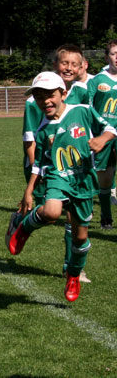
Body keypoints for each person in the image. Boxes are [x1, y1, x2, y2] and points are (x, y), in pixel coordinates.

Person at [7, 72, 115, 302]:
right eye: (38, 96)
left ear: (63, 93)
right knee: (52, 211)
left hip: (84, 181)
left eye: (50, 95)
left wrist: (102, 140)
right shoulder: (43, 130)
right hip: (58, 177)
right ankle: (25, 228)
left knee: (80, 238)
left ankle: (73, 275)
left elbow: (110, 129)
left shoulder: (82, 111)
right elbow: (39, 164)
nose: (45, 100)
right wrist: (29, 191)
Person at [22, 44, 91, 281]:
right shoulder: (35, 102)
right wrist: (35, 178)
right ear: (55, 65)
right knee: (51, 212)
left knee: (75, 224)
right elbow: (32, 141)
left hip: (77, 171)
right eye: (65, 63)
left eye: (75, 64)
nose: (69, 68)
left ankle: (71, 267)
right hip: (49, 166)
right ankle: (22, 226)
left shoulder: (82, 96)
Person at [86, 40, 117, 230]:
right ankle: (106, 217)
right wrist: (105, 124)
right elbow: (89, 106)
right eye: (114, 53)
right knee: (104, 178)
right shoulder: (97, 80)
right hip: (103, 136)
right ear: (107, 57)